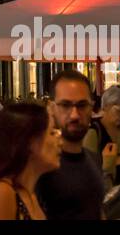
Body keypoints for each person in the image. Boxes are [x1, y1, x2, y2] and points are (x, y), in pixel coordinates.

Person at [35, 69, 106, 220]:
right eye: (65, 105)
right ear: (51, 108)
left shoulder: (94, 159)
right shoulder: (39, 165)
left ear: (91, 108)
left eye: (82, 105)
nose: (74, 114)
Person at [0, 102, 60, 220]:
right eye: (52, 132)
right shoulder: (2, 193)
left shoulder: (29, 194)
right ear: (30, 141)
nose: (59, 140)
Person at [84, 85, 120, 186]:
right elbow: (87, 168)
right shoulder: (94, 132)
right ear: (105, 107)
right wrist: (117, 161)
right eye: (118, 111)